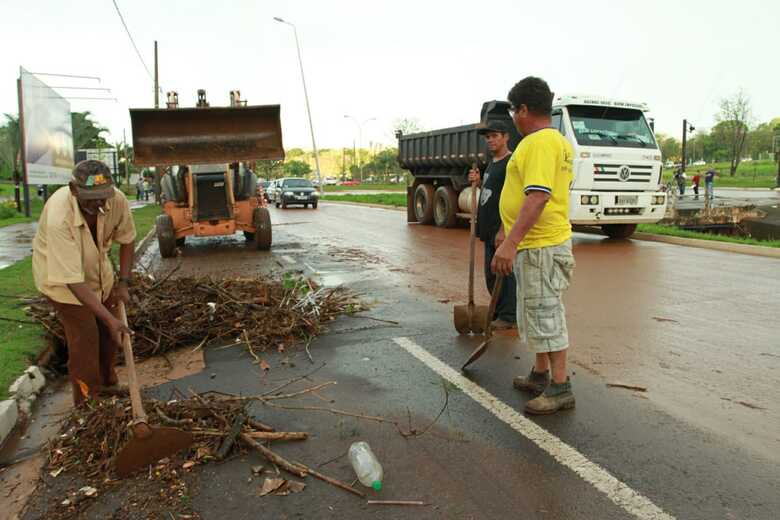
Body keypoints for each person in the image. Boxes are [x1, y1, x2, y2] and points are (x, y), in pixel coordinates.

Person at [492, 76, 576, 415]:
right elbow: (523, 193)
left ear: (524, 109)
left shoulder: (540, 142)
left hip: (541, 245)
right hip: (535, 244)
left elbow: (538, 196)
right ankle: (541, 373)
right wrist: (505, 229)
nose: (513, 118)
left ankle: (560, 387)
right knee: (535, 312)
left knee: (545, 312)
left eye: (514, 110)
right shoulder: (547, 142)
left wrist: (511, 243)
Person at [32, 160, 136, 406]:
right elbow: (73, 282)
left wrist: (123, 283)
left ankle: (108, 384)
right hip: (64, 285)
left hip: (100, 277)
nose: (99, 203)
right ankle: (88, 403)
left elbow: (128, 239)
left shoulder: (116, 200)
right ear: (73, 189)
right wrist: (110, 319)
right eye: (91, 198)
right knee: (85, 339)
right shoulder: (60, 216)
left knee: (110, 338)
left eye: (103, 197)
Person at [467, 120, 517, 329]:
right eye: (488, 137)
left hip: (500, 229)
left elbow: (514, 197)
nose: (490, 140)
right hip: (488, 228)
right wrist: (478, 182)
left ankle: (508, 316)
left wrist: (504, 229)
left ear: (506, 136)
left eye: (495, 136)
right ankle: (497, 311)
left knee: (503, 275)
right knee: (490, 273)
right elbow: (492, 192)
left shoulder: (511, 163)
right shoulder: (492, 162)